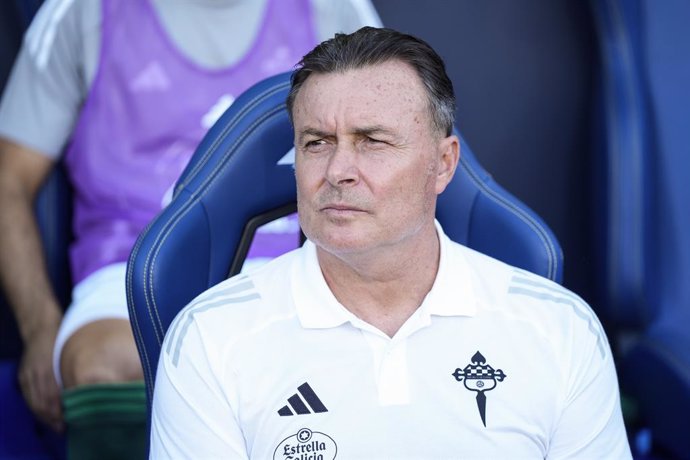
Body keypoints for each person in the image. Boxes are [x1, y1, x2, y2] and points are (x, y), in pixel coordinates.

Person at [150, 26, 632, 458]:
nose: (337, 172)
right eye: (316, 142)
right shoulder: (211, 339)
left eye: (372, 141)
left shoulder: (559, 331)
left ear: (443, 164)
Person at [0, 0, 381, 457]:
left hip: (298, 258)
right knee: (100, 362)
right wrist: (41, 329)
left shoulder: (331, 7)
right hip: (132, 268)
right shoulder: (82, 10)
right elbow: (8, 181)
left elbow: (394, 149)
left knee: (354, 356)